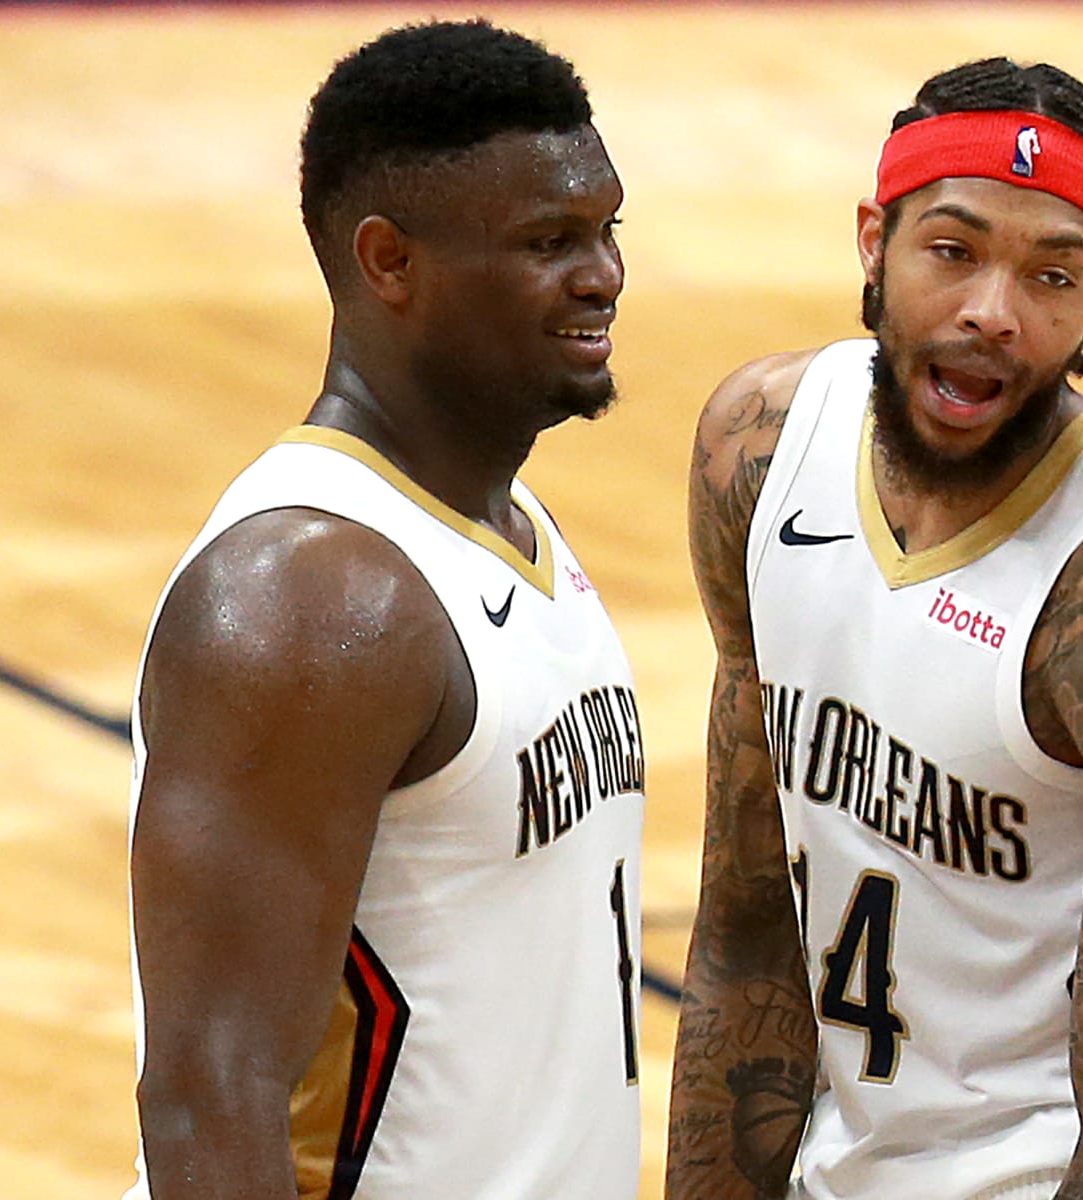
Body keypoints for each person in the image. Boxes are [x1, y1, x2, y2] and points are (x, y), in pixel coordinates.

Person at [667, 56, 1083, 1200]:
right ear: (872, 242)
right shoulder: (761, 449)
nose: (993, 312)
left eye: (1053, 274)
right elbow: (746, 935)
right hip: (844, 1160)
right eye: (953, 251)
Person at [124, 20, 646, 1200]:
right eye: (547, 241)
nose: (603, 272)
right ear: (389, 262)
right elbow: (211, 1088)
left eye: (607, 229)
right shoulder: (314, 598)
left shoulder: (513, 531)